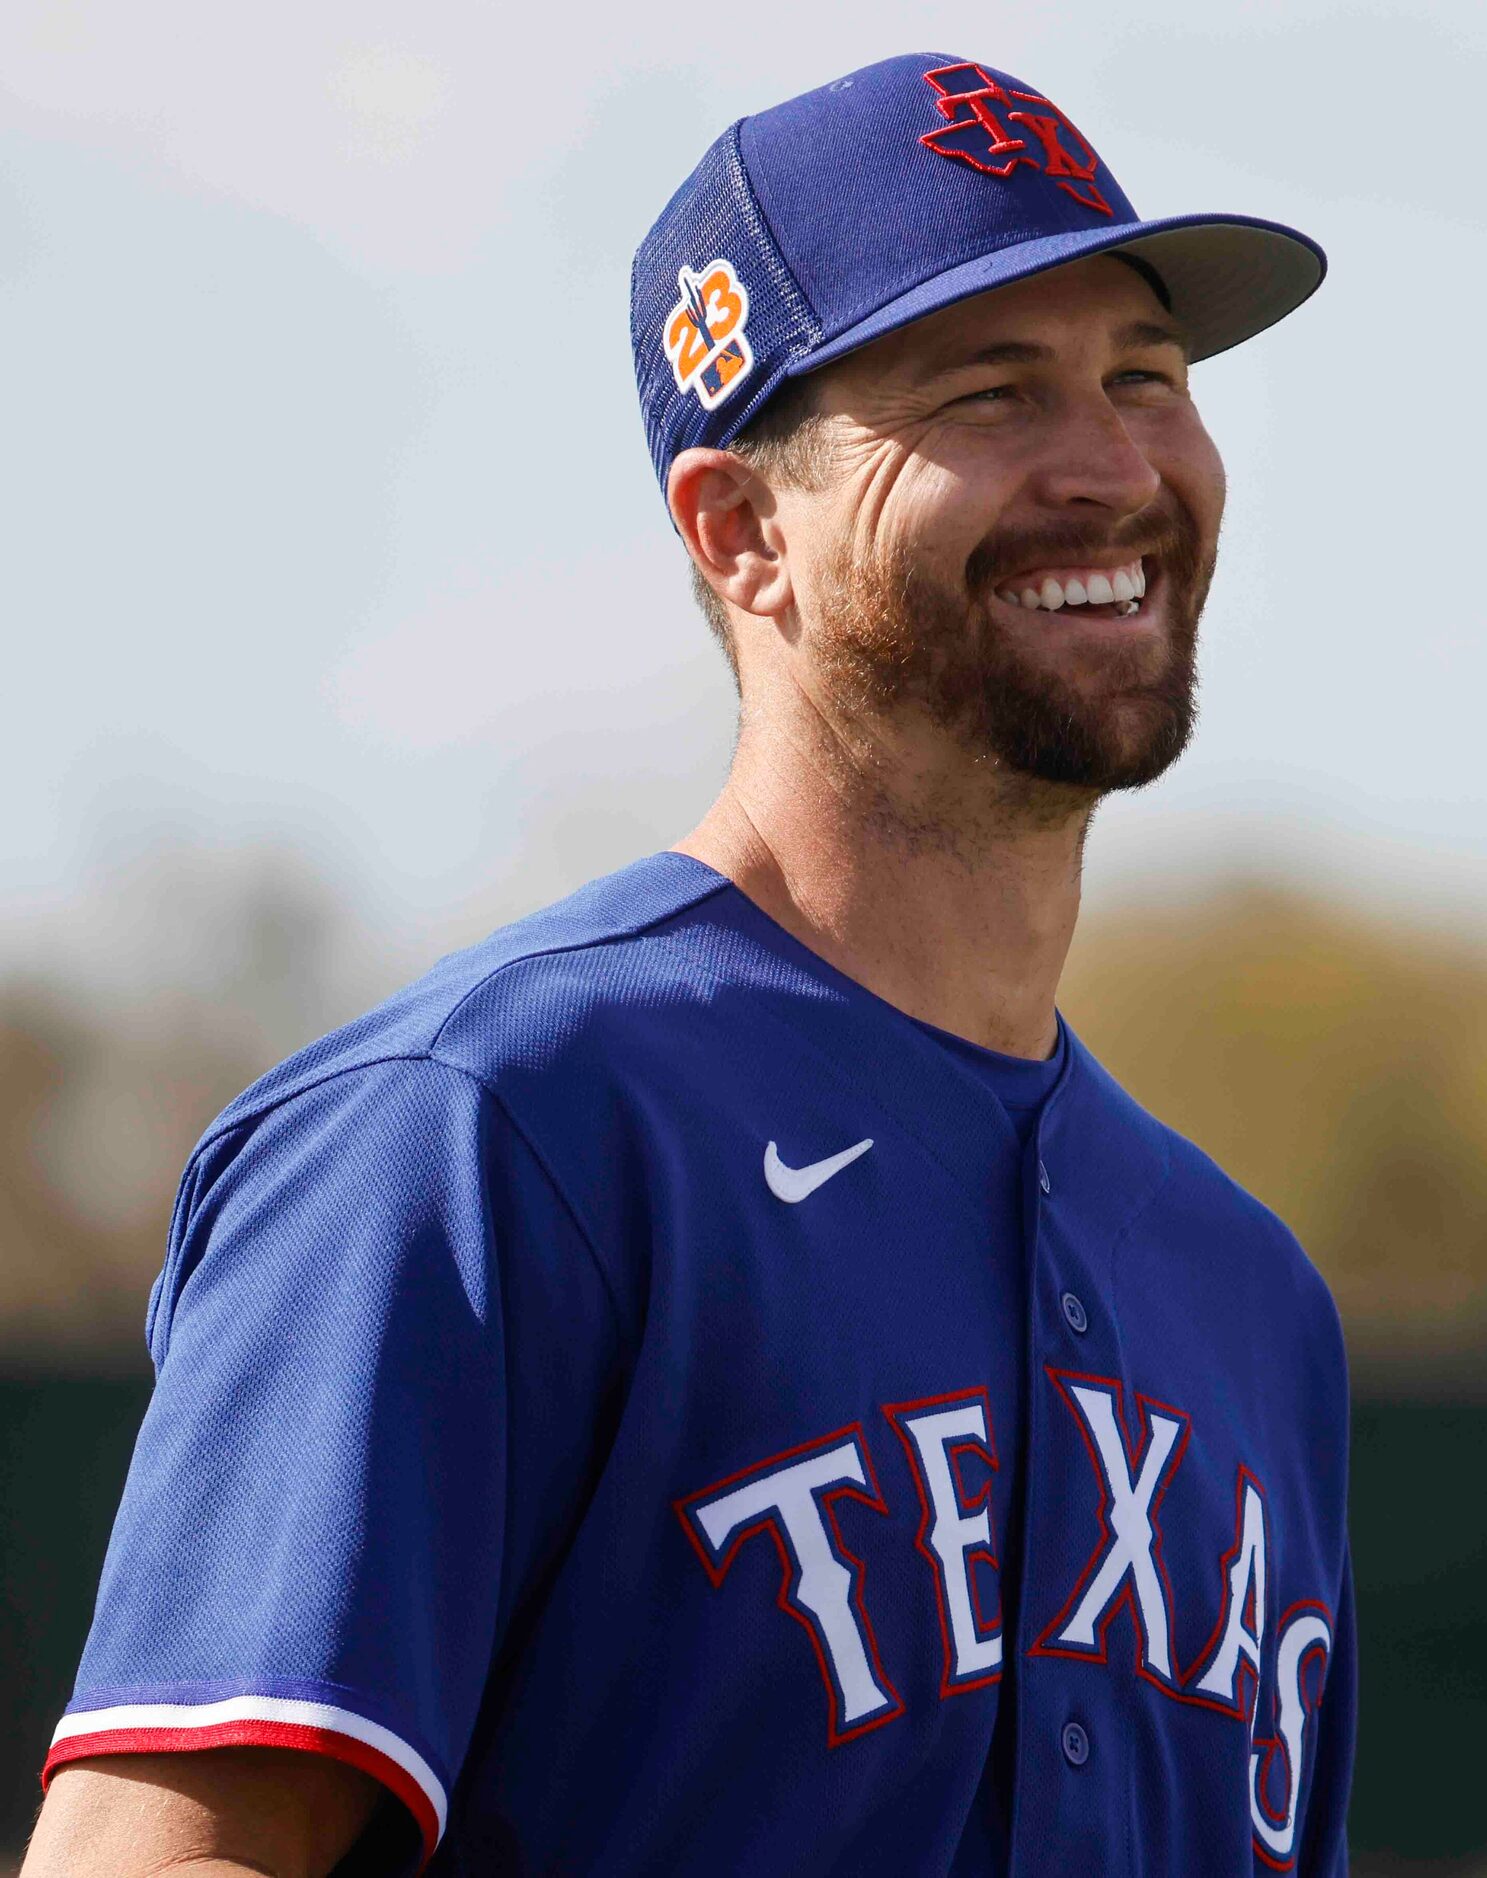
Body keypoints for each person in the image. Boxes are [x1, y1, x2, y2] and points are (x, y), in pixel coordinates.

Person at [27, 52, 1352, 1876]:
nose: (1114, 464)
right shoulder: (479, 1138)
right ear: (742, 532)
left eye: (1147, 376)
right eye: (991, 389)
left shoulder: (1247, 1295)